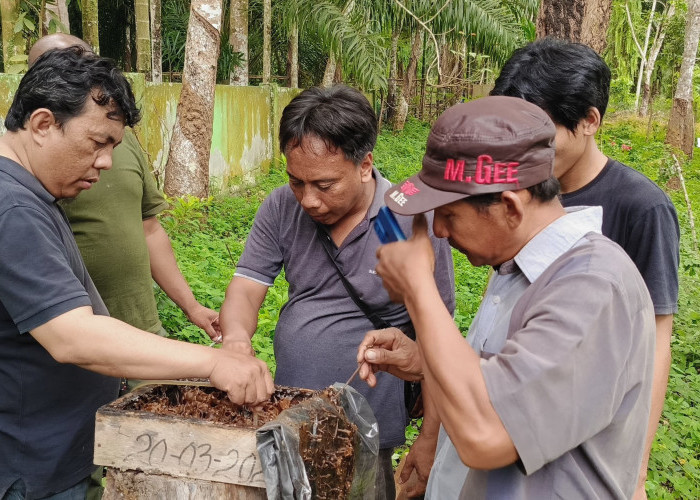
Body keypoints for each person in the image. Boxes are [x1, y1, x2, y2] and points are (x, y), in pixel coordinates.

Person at [0, 46, 273, 500]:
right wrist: (214, 361)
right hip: (29, 470)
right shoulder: (12, 208)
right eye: (97, 143)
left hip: (52, 456)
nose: (106, 162)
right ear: (43, 124)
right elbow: (72, 336)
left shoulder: (32, 194)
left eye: (113, 147)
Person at [356, 96, 656, 498]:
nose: (440, 232)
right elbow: (512, 382)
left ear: (510, 208)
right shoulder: (516, 267)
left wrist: (418, 288)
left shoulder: (593, 286)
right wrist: (426, 361)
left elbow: (486, 434)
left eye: (448, 215)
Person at [218, 85, 455, 498]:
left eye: (325, 185)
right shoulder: (280, 207)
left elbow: (440, 341)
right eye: (296, 181)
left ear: (365, 165)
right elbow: (246, 287)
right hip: (291, 415)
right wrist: (237, 341)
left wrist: (430, 437)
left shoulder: (401, 219)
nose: (308, 199)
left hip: (369, 429)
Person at [490, 38, 679, 499]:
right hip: (510, 402)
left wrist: (636, 468)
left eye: (541, 135)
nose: (523, 150)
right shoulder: (518, 188)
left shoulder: (641, 207)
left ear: (589, 120)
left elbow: (654, 339)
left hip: (580, 427)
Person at [29, 33, 221, 345]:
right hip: (81, 342)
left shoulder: (122, 139)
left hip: (143, 330)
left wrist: (191, 306)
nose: (103, 161)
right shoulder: (30, 164)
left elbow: (149, 229)